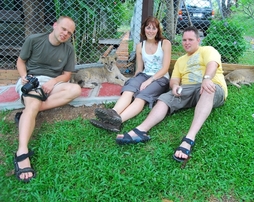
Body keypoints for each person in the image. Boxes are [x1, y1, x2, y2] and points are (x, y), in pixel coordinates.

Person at [115, 26, 228, 162]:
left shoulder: (207, 50)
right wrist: (174, 86)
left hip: (211, 84)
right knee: (164, 98)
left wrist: (207, 78)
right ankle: (141, 131)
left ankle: (189, 138)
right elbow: (174, 79)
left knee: (209, 90)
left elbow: (212, 64)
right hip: (187, 89)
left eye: (190, 39)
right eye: (184, 40)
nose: (187, 42)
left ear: (198, 40)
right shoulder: (181, 60)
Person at [13, 16, 82, 182]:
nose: (65, 34)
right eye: (63, 29)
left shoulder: (68, 49)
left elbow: (66, 75)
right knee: (33, 102)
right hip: (32, 80)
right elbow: (20, 62)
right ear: (55, 25)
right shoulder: (34, 40)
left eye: (69, 32)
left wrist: (53, 82)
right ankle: (22, 151)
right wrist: (24, 77)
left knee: (75, 89)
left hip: (52, 84)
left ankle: (28, 112)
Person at [90, 16, 171, 132]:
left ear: (158, 30)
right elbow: (139, 69)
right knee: (129, 89)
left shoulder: (165, 43)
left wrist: (149, 80)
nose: (151, 31)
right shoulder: (140, 46)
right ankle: (113, 112)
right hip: (144, 74)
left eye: (154, 28)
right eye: (148, 28)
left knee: (141, 96)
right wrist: (135, 81)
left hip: (161, 78)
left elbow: (165, 68)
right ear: (144, 29)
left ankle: (118, 121)